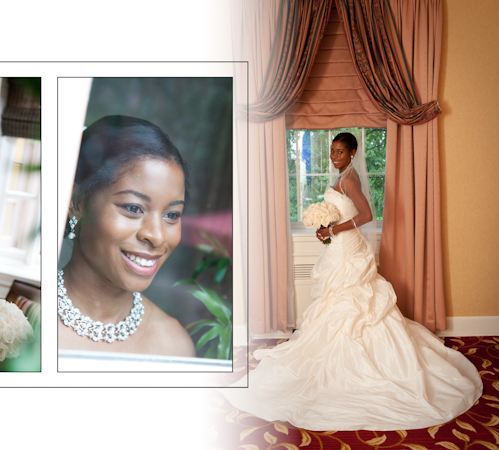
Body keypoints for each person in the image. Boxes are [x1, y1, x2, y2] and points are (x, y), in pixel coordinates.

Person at [222, 132, 482, 430]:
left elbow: (367, 214)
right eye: (332, 151)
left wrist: (331, 230)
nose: (334, 156)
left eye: (341, 152)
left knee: (353, 302)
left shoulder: (349, 179)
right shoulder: (345, 175)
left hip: (347, 248)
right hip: (343, 245)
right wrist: (327, 225)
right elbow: (347, 213)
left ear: (353, 153)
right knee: (337, 300)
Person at [58, 115, 194, 357]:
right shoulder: (25, 317)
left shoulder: (174, 346)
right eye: (133, 208)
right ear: (78, 202)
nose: (156, 236)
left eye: (172, 214)